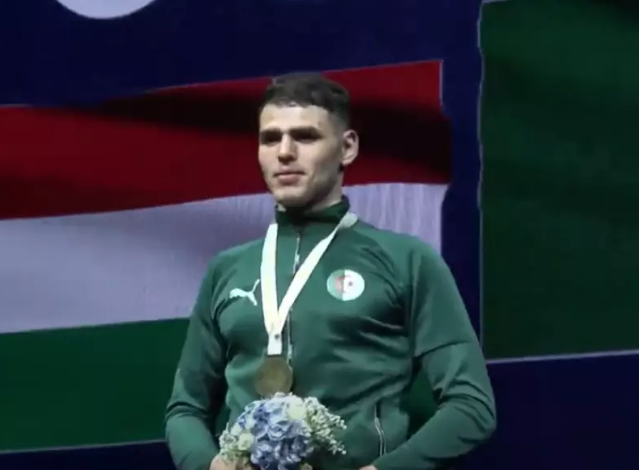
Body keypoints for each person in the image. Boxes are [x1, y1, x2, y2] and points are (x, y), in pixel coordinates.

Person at [164, 73, 496, 470]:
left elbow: (471, 406)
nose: (284, 152)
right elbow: (185, 409)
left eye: (305, 137)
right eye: (270, 139)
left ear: (347, 147)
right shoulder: (227, 270)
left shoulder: (406, 260)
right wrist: (208, 466)